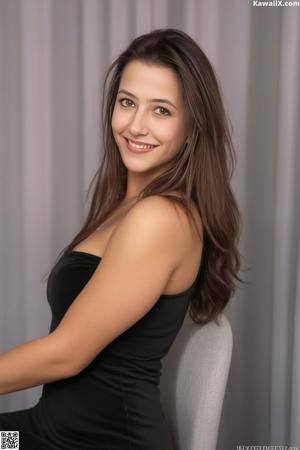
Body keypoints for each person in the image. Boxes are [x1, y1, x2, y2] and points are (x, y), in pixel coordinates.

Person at [0, 28, 244, 449]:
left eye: (161, 111)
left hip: (101, 442)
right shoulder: (124, 205)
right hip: (45, 431)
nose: (136, 125)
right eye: (127, 102)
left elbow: (67, 354)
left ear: (191, 126)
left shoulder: (162, 218)